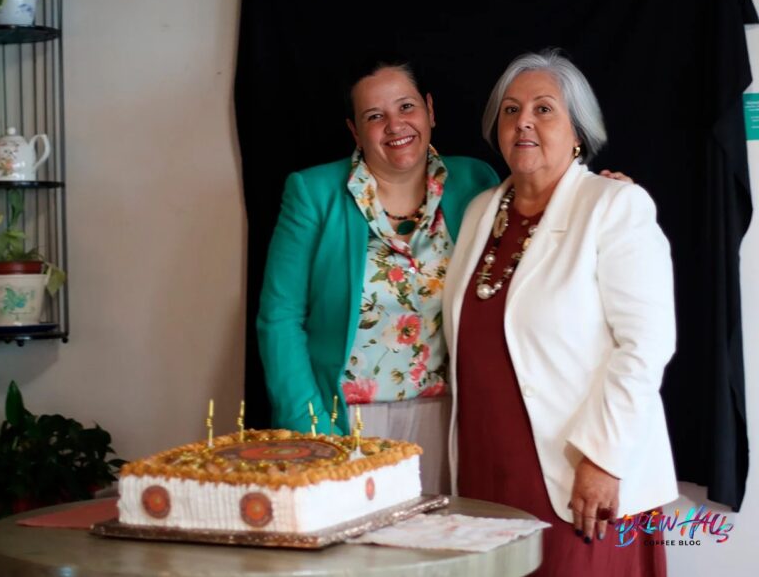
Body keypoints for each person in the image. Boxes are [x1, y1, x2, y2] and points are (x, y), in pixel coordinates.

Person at [443, 49, 678, 575]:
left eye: (543, 109)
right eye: (510, 110)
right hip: (484, 470)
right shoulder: (480, 211)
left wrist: (603, 459)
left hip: (578, 475)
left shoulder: (614, 206)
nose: (523, 121)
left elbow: (646, 345)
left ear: (578, 132)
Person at [256, 59, 500, 493]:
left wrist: (601, 193)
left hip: (452, 420)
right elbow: (279, 319)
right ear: (355, 131)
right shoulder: (313, 193)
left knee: (447, 534)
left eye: (406, 106)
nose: (395, 125)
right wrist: (310, 430)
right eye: (374, 116)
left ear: (429, 110)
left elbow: (536, 230)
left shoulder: (475, 181)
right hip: (344, 422)